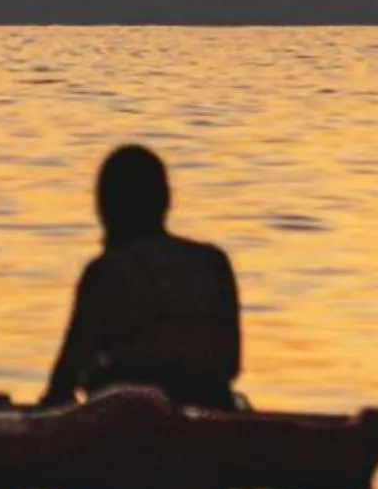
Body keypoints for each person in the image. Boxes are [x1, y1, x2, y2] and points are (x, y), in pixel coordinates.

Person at [40, 145, 242, 411]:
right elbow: (230, 365)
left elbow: (64, 382)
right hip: (214, 410)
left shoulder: (108, 271)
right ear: (166, 201)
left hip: (129, 420)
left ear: (107, 209)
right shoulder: (214, 262)